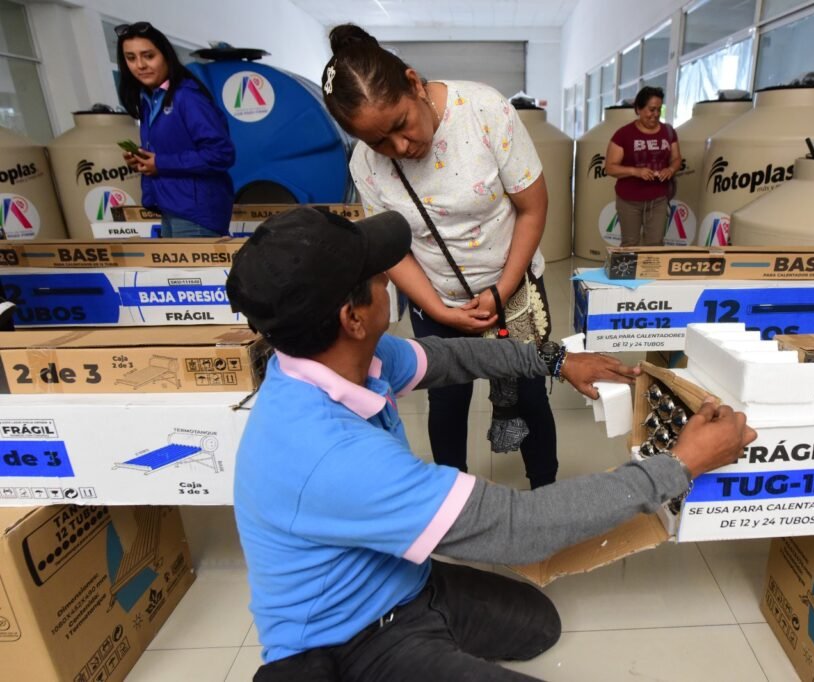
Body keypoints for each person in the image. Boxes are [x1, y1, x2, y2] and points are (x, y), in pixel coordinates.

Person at [226, 206, 756, 681]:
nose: (390, 275)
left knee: (537, 625)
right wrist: (680, 464)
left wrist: (552, 360)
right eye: (377, 274)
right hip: (342, 643)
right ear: (352, 317)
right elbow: (518, 528)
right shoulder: (325, 452)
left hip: (405, 582)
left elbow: (454, 357)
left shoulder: (349, 356)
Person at [323, 24, 560, 488]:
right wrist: (435, 310)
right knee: (447, 401)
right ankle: (453, 506)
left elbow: (533, 208)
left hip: (512, 290)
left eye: (400, 126)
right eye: (378, 143)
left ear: (413, 83)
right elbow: (394, 251)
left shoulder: (485, 110)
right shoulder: (365, 166)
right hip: (437, 299)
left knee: (530, 393)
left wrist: (503, 287)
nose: (400, 148)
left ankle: (544, 494)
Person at [115, 22, 235, 237]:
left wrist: (159, 163)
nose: (140, 65)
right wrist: (143, 160)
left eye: (148, 56)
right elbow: (171, 149)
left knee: (193, 273)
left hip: (195, 213)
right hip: (170, 206)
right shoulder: (149, 99)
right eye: (131, 58)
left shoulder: (187, 98)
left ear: (166, 56)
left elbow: (221, 153)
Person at [604, 86, 682, 247]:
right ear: (638, 109)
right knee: (630, 244)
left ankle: (651, 273)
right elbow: (610, 167)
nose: (655, 114)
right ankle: (628, 273)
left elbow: (676, 159)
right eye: (651, 109)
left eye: (659, 110)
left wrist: (671, 169)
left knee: (655, 245)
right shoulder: (624, 135)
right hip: (629, 200)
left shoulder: (668, 132)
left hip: (658, 199)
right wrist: (635, 171)